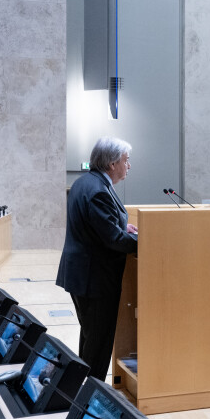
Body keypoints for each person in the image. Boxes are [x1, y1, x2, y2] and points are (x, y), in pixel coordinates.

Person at [55, 137, 139, 380]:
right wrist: (148, 241)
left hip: (85, 275)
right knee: (99, 341)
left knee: (91, 336)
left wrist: (124, 226)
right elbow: (113, 240)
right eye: (126, 160)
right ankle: (91, 397)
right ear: (112, 163)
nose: (129, 165)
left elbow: (101, 226)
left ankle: (84, 387)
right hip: (95, 278)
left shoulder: (86, 182)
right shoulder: (98, 191)